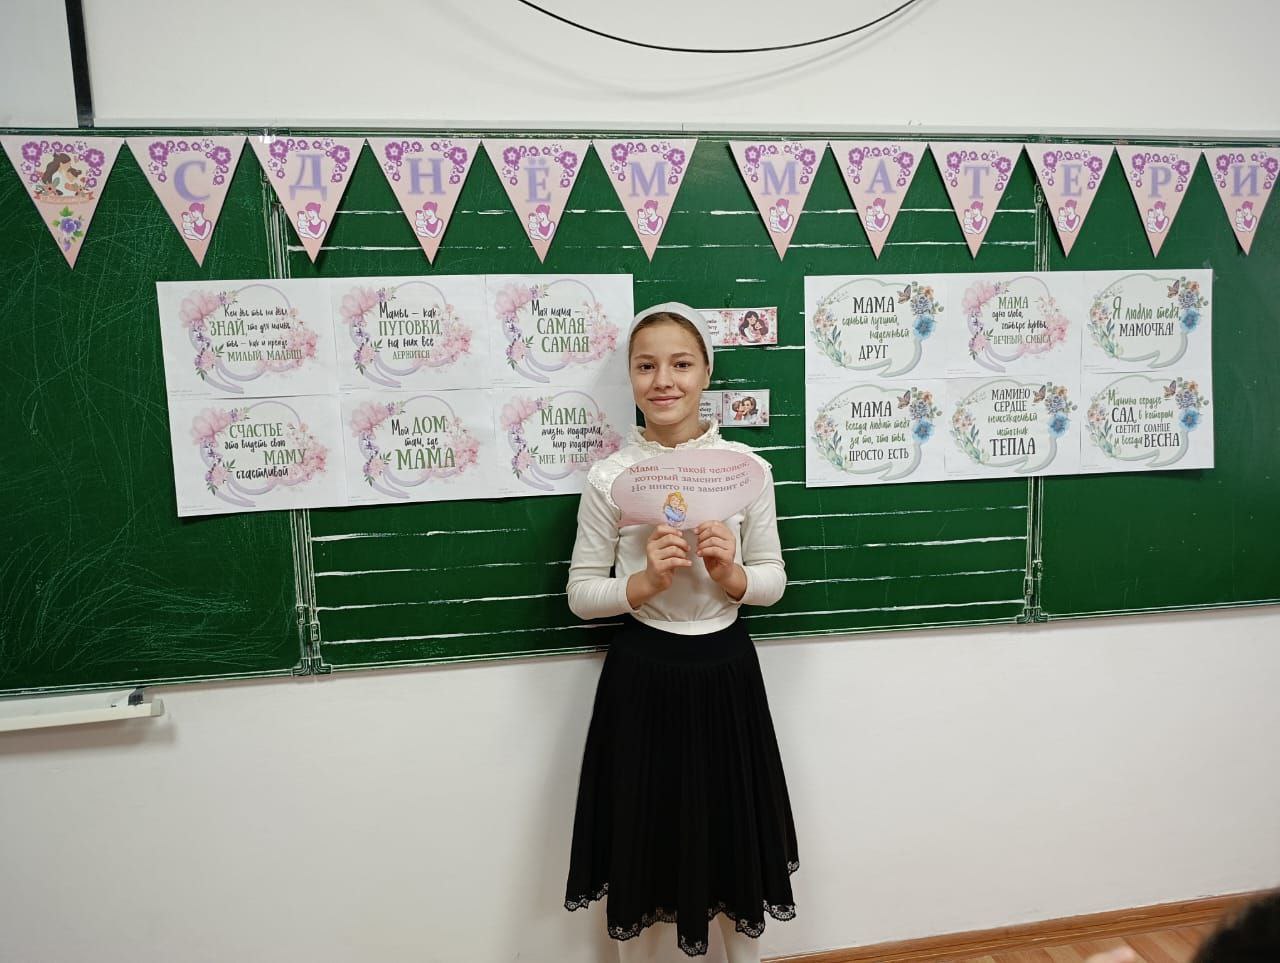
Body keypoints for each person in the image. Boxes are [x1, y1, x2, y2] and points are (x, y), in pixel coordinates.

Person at [563, 302, 798, 961]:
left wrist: (731, 575)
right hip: (643, 675)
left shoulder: (745, 469)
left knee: (733, 837)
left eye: (681, 363)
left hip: (726, 672)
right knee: (640, 836)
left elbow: (774, 577)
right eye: (646, 366)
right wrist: (641, 585)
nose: (663, 380)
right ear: (630, 378)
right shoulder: (610, 477)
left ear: (706, 374)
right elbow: (581, 593)